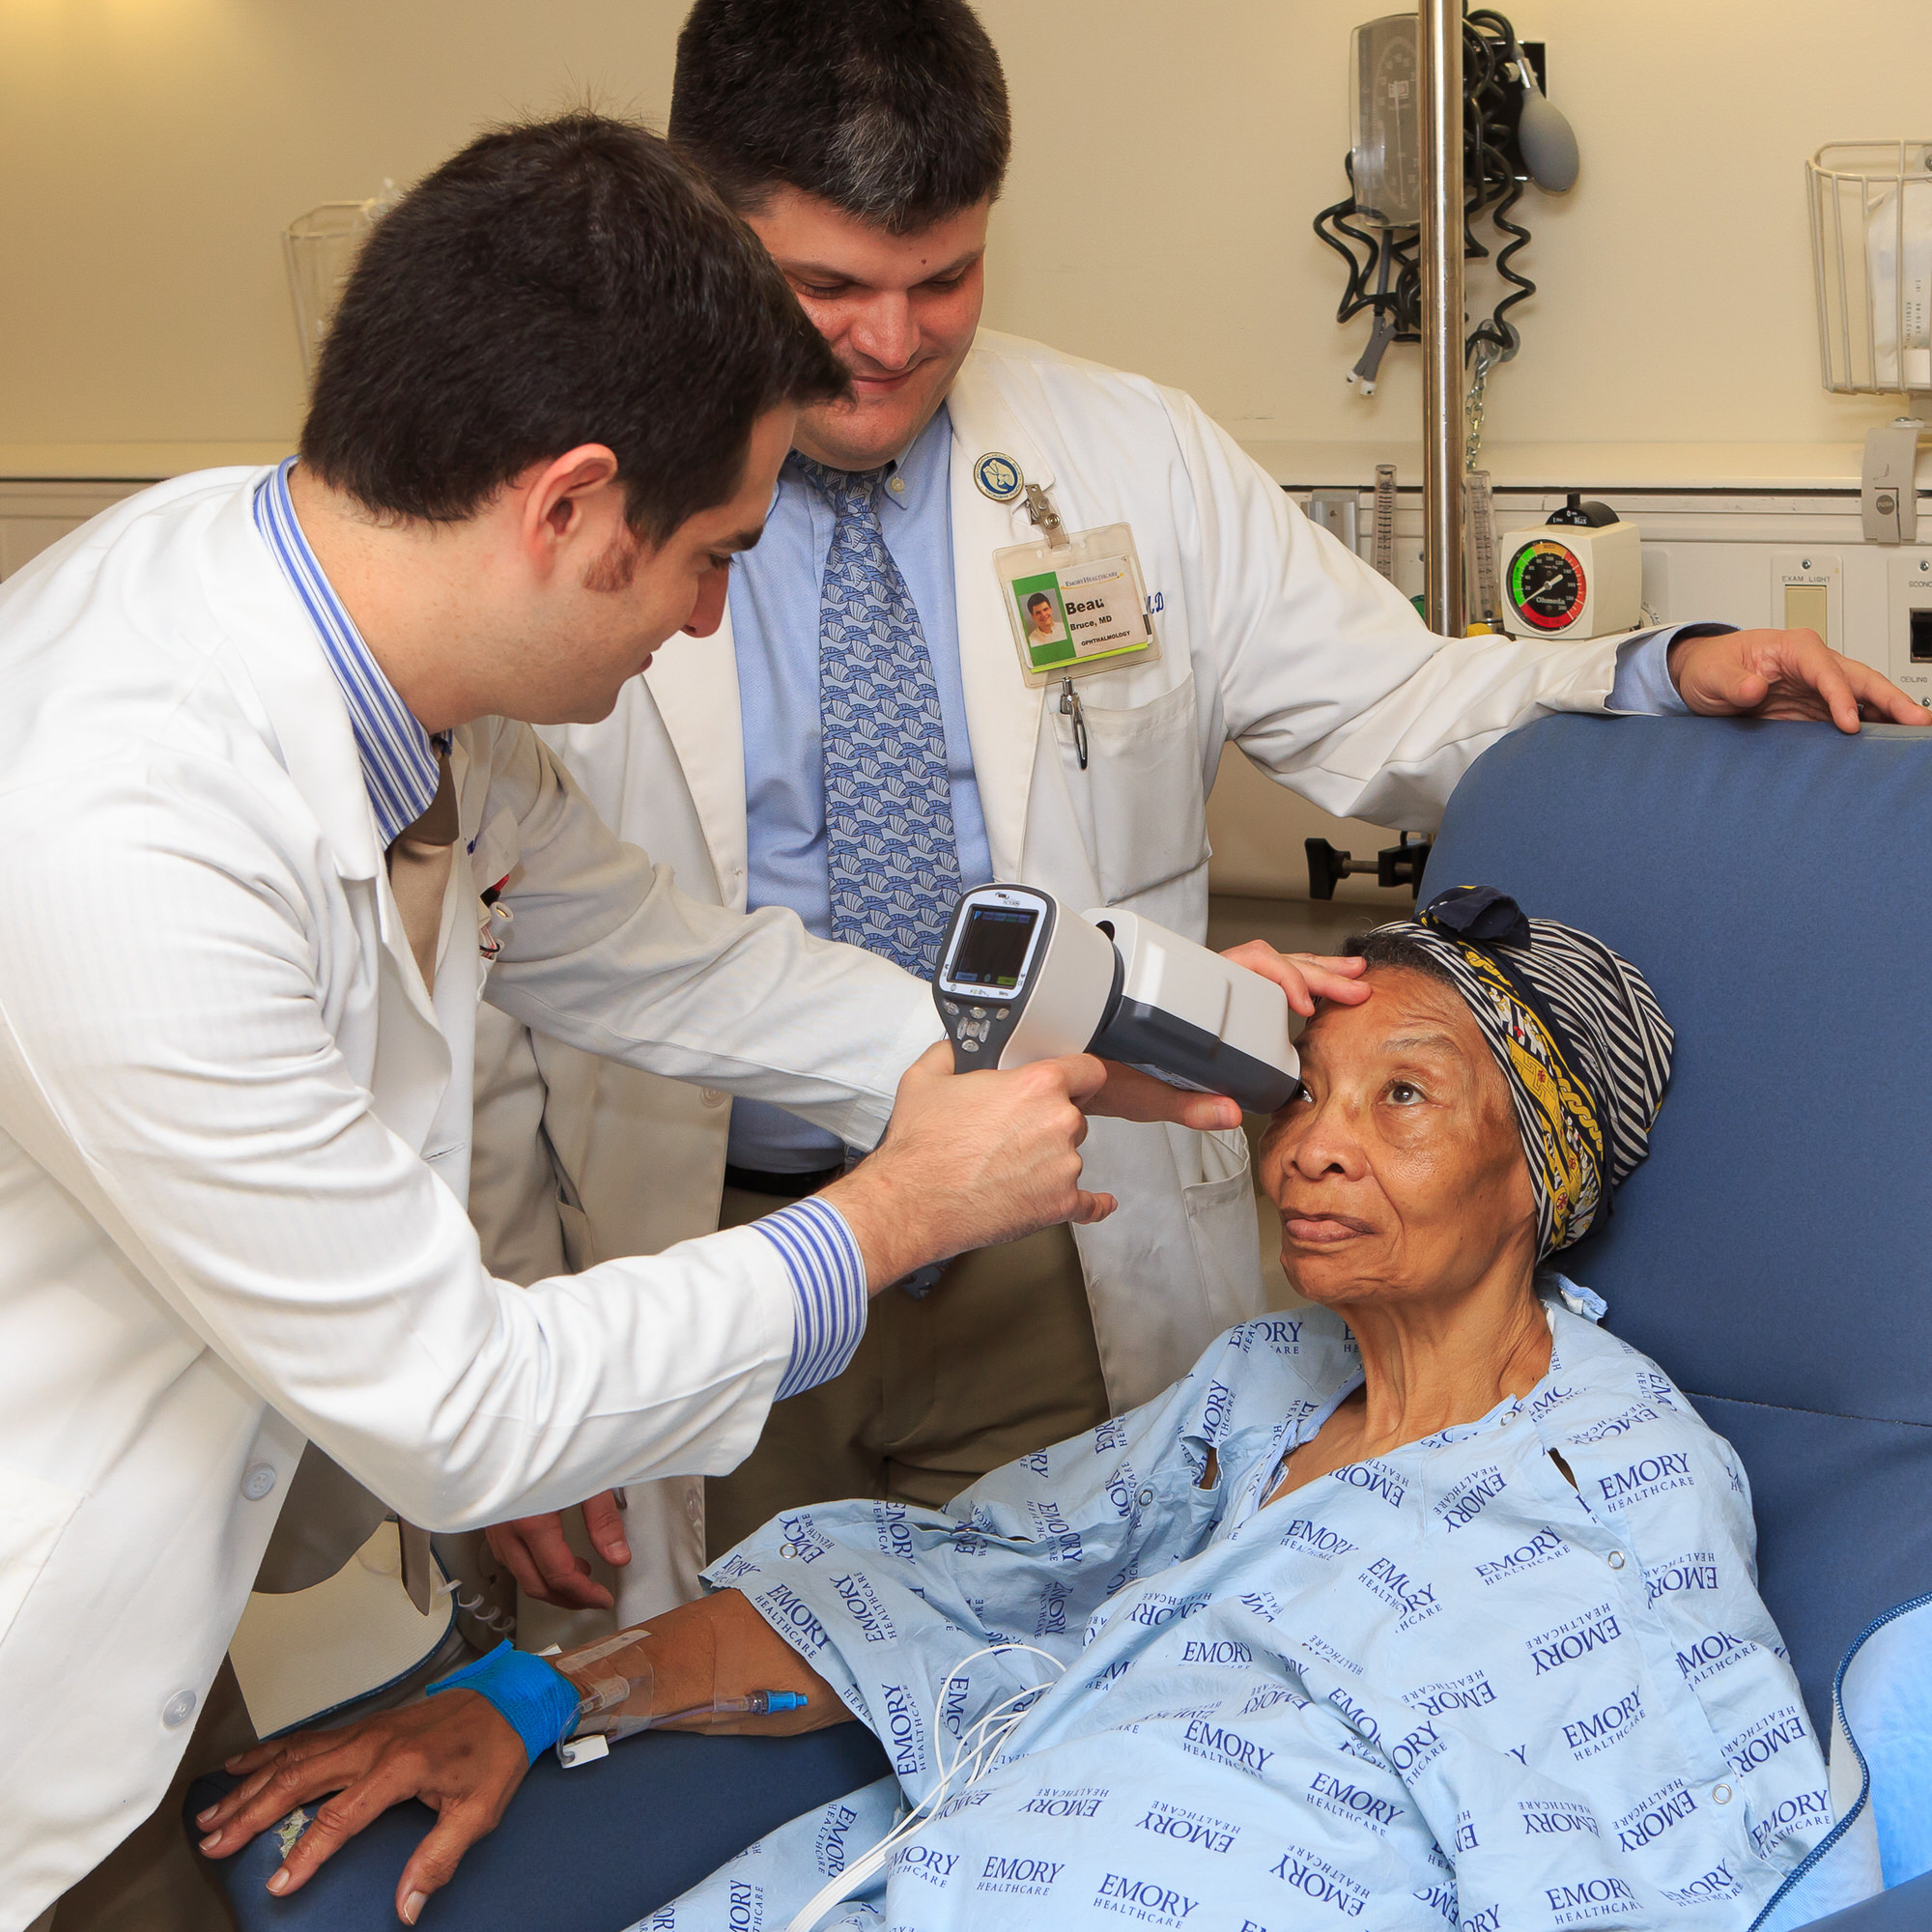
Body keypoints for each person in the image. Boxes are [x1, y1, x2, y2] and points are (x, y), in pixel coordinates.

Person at [467, 0, 1928, 1639]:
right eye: (827, 291)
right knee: (705, 1706)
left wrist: (1661, 674)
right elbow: (490, 983)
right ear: (703, 231)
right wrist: (510, 1333)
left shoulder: (1127, 461)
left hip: (1058, 1247)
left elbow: (1394, 700)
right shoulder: (563, 507)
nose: (886, 341)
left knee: (1093, 1693)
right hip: (706, 1250)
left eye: (940, 282)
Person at [0, 114, 1243, 1931]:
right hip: (48, 1630)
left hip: (259, 1561)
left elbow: (679, 964)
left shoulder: (363, 640)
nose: (705, 622)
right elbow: (458, 1402)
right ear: (571, 505)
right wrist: (893, 1215)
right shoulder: (125, 824)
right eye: (715, 555)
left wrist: (980, 1058)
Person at [204, 887, 1831, 1931]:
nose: (1311, 1153)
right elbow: (924, 1584)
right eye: (1303, 1098)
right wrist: (538, 1696)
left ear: (1540, 1168)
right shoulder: (1258, 1393)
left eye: (1400, 1099)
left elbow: (1679, 1866)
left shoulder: (1617, 1489)